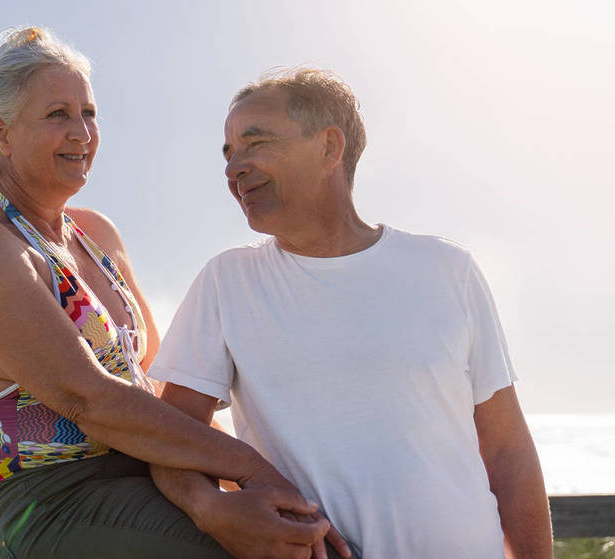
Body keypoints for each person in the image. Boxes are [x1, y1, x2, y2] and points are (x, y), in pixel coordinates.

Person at [0, 28, 350, 559]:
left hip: (149, 474)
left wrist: (254, 485)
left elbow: (156, 385)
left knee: (316, 529)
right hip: (51, 502)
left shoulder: (96, 233)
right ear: (1, 133)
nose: (82, 131)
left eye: (89, 112)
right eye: (58, 114)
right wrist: (254, 469)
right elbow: (89, 398)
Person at [147, 68, 554, 558]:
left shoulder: (449, 268)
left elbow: (509, 452)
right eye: (229, 153)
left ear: (329, 147)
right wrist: (211, 510)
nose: (234, 167)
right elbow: (169, 440)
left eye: (255, 143)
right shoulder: (225, 282)